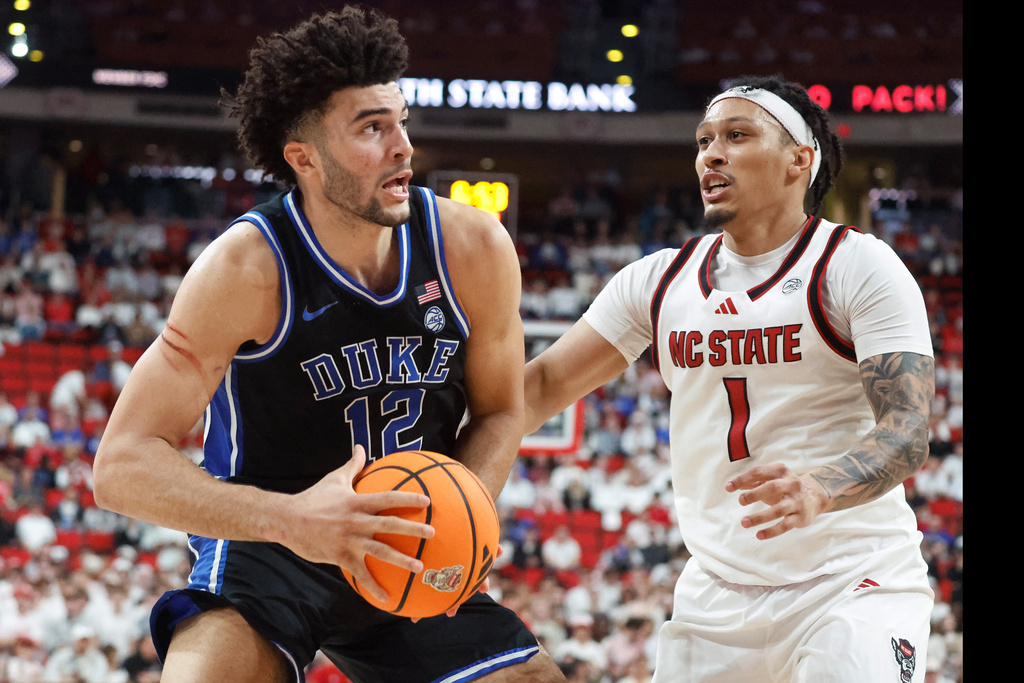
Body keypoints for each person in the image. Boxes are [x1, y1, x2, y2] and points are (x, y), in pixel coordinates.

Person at [93, 8, 561, 683]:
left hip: (408, 534)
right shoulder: (245, 270)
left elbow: (499, 410)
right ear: (304, 157)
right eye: (372, 128)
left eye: (400, 120)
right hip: (270, 543)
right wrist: (294, 521)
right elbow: (120, 465)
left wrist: (463, 511)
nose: (403, 146)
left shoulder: (472, 247)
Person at [524, 75, 935, 682]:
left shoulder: (856, 265)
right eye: (703, 140)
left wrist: (819, 487)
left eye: (737, 136)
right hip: (716, 593)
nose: (710, 154)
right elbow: (538, 390)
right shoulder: (657, 280)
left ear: (801, 158)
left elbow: (907, 431)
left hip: (854, 580)